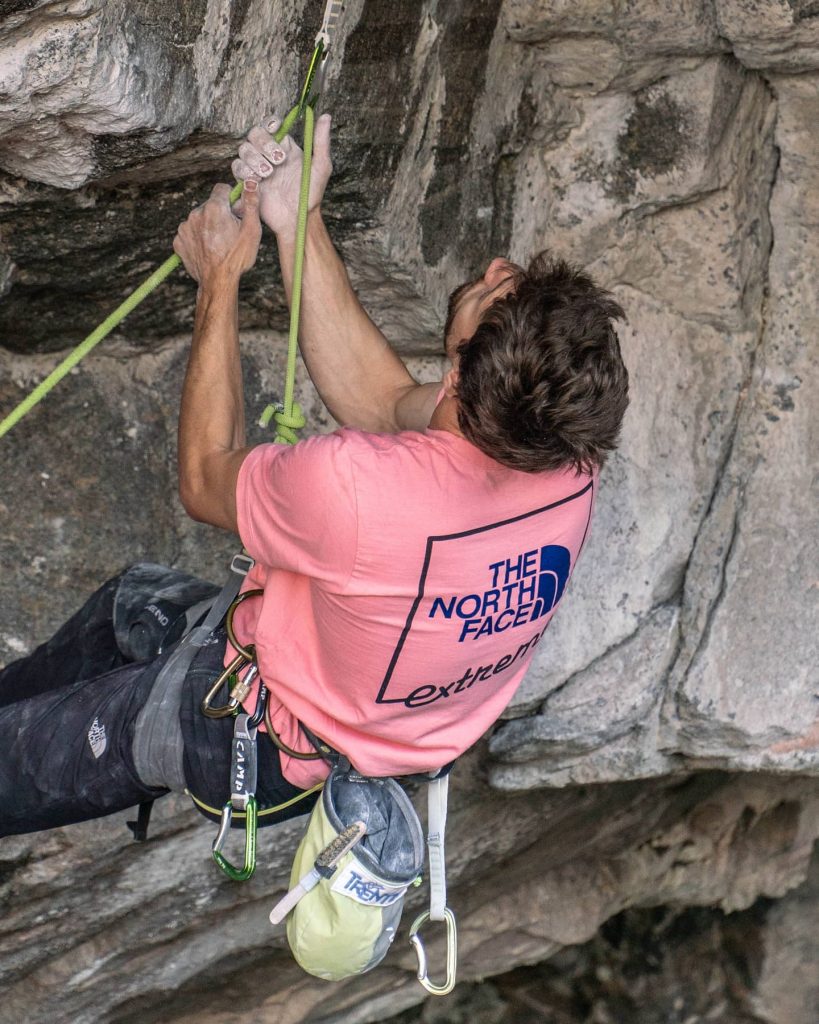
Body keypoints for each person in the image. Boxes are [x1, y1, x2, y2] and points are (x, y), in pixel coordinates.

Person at [0, 114, 628, 838]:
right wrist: (297, 220)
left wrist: (220, 281)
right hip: (351, 713)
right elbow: (383, 399)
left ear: (456, 370)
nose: (495, 270)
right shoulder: (560, 457)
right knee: (131, 602)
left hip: (254, 739)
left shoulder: (357, 486)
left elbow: (205, 481)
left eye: (494, 292)